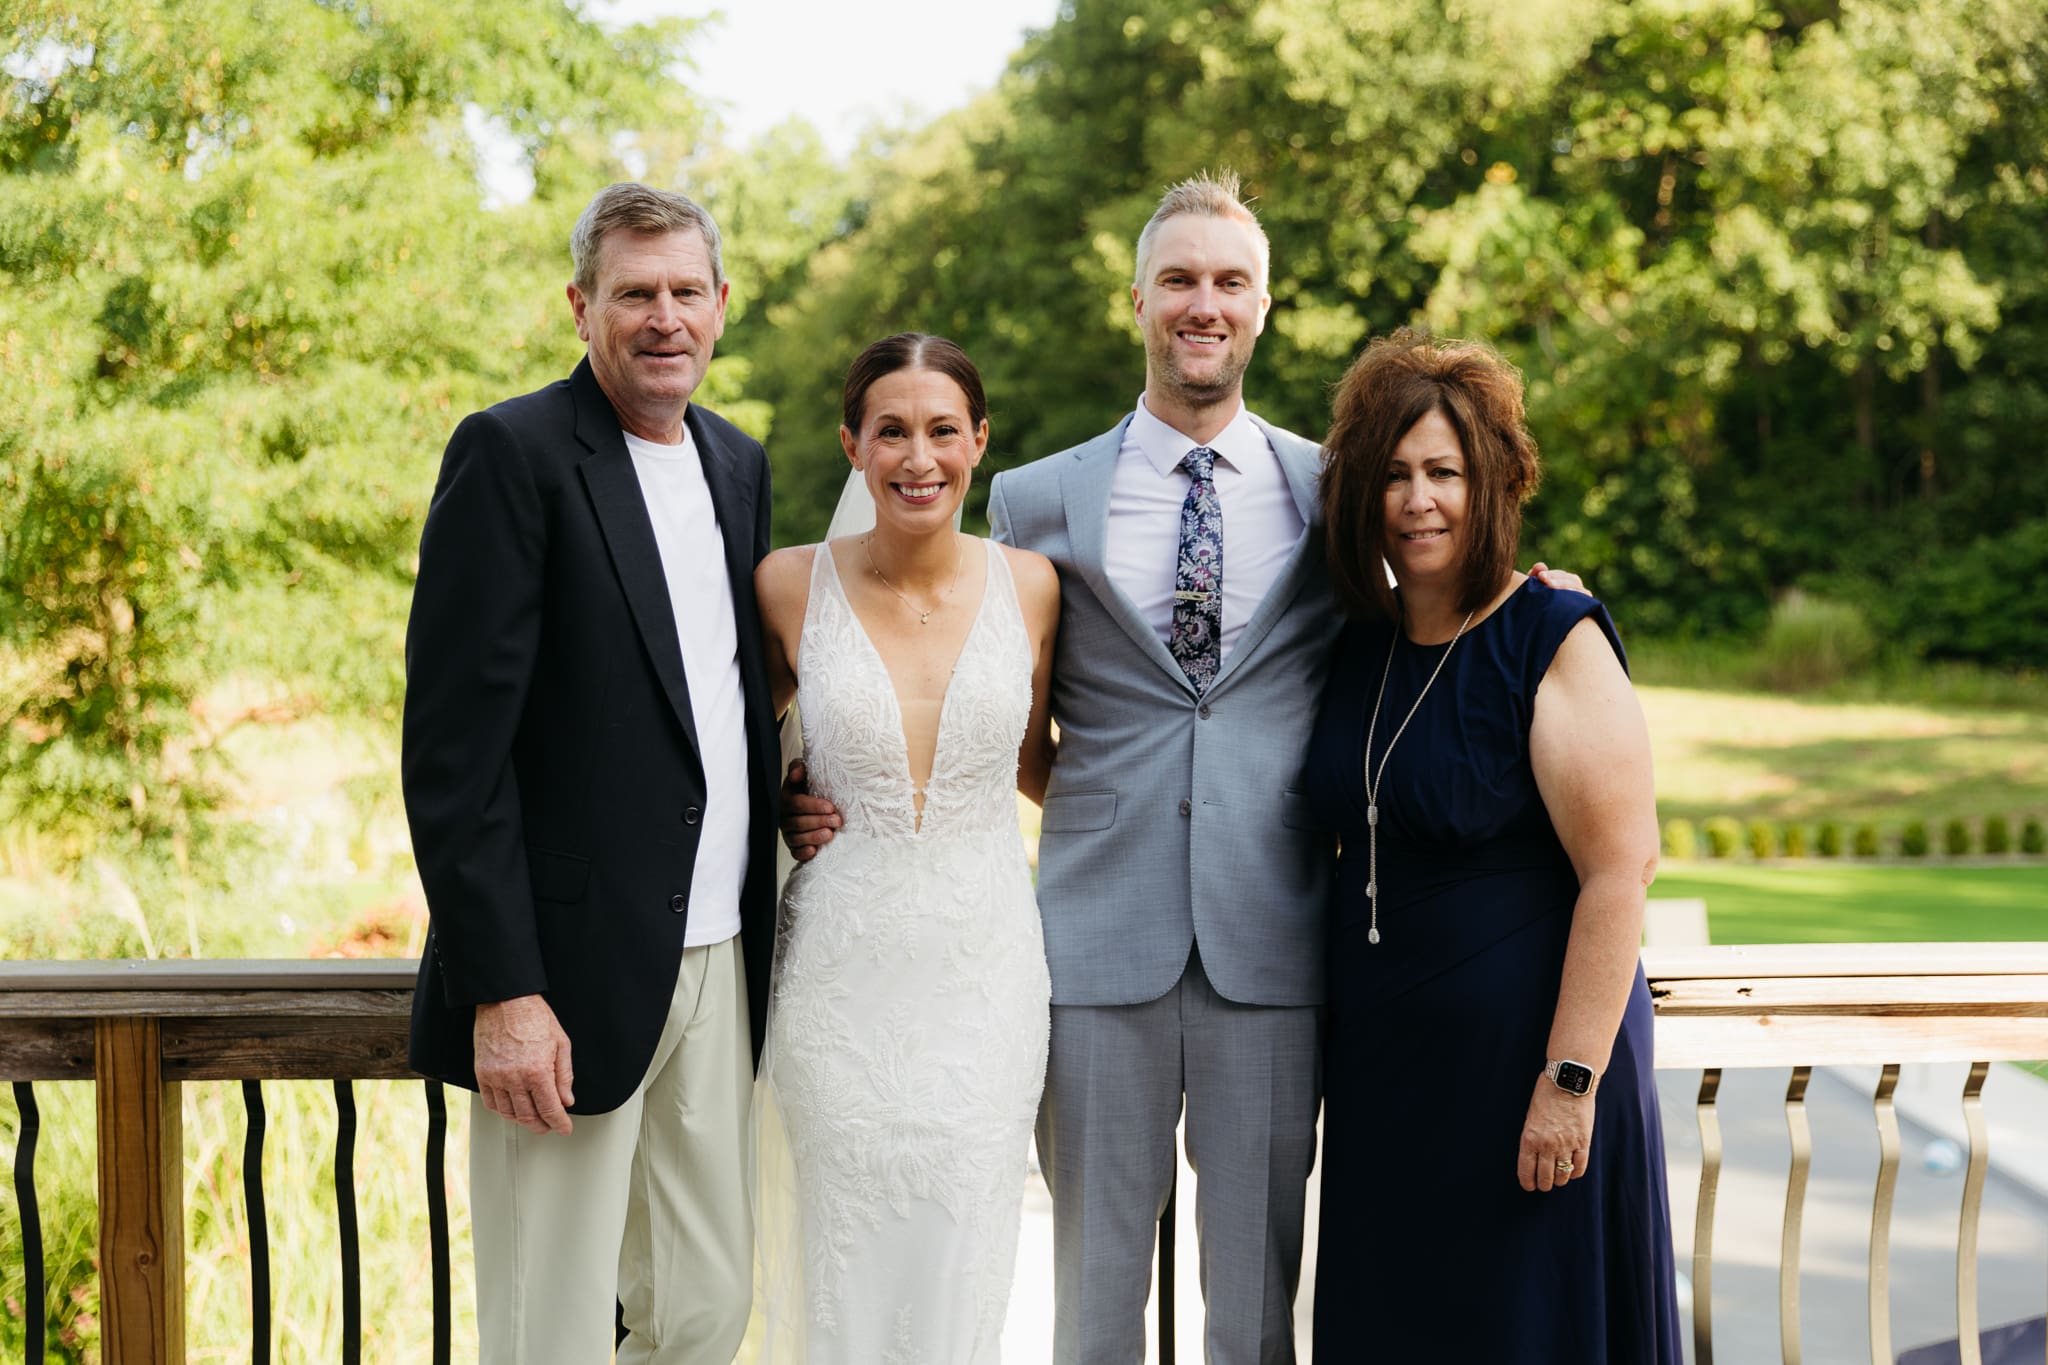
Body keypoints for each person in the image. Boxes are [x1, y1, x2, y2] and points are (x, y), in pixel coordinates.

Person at [782, 175, 1584, 1362]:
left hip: (1274, 931)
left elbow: (1434, 595)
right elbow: (971, 685)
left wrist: (1537, 596)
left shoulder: (1335, 492)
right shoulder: (1036, 498)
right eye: (1178, 280)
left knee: (1256, 1291)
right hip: (1091, 939)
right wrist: (817, 781)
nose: (1200, 303)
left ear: (1261, 307)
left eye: (1227, 282)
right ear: (1140, 300)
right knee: (1093, 1285)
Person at [402, 183, 778, 1364]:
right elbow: (453, 757)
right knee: (549, 1325)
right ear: (581, 307)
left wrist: (793, 794)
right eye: (632, 294)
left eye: (682, 293)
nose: (661, 318)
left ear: (719, 308)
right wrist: (502, 992)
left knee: (707, 1310)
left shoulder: (735, 463)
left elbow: (716, 696)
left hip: (720, 955)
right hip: (559, 981)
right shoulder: (510, 454)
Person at [1300, 330, 1681, 1361]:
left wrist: (1567, 1087)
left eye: (1443, 472)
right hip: (1388, 1082)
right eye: (1392, 475)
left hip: (1525, 1082)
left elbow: (1619, 871)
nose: (1416, 500)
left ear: (1494, 483)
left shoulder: (1549, 633)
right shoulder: (1356, 643)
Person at [749, 333, 1061, 1362]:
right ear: (852, 447)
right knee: (844, 1266)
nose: (916, 456)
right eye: (890, 431)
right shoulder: (787, 586)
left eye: (940, 430)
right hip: (839, 983)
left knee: (964, 1256)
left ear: (978, 442)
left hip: (984, 982)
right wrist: (778, 801)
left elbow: (1039, 763)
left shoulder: (1033, 589)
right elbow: (712, 754)